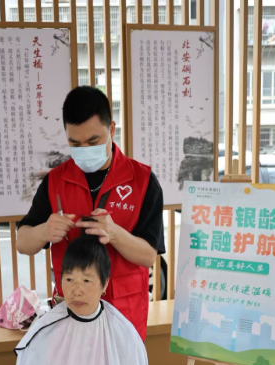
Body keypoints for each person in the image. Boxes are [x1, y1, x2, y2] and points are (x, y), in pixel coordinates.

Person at [16, 86, 165, 340]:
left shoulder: (142, 181)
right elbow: (22, 243)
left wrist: (115, 234)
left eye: (93, 142)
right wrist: (44, 231)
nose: (84, 149)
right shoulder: (55, 181)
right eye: (75, 144)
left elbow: (148, 256)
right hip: (71, 311)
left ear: (112, 130)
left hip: (124, 313)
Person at [7, 235, 166, 365]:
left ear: (104, 284)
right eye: (69, 279)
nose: (77, 290)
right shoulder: (46, 329)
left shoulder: (122, 331)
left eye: (87, 280)